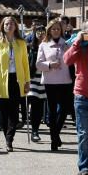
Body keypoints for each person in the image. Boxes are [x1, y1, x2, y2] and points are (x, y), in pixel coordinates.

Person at [64, 19, 88, 175]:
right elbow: (67, 60)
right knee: (85, 134)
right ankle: (85, 168)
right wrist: (78, 41)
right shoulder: (77, 45)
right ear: (83, 30)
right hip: (82, 95)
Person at [0, 16, 30, 152]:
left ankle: (9, 139)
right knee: (2, 114)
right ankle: (6, 133)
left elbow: (25, 64)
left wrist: (27, 81)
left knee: (13, 112)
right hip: (2, 81)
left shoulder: (21, 43)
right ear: (3, 26)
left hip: (17, 80)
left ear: (16, 27)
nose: (9, 26)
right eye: (7, 24)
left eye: (12, 24)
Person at [36, 19, 73, 150]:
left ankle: (55, 134)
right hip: (50, 80)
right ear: (49, 31)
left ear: (61, 30)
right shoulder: (43, 45)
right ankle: (54, 139)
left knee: (63, 110)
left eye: (58, 29)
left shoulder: (67, 44)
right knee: (52, 110)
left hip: (65, 80)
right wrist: (50, 65)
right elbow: (38, 64)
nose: (56, 31)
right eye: (53, 29)